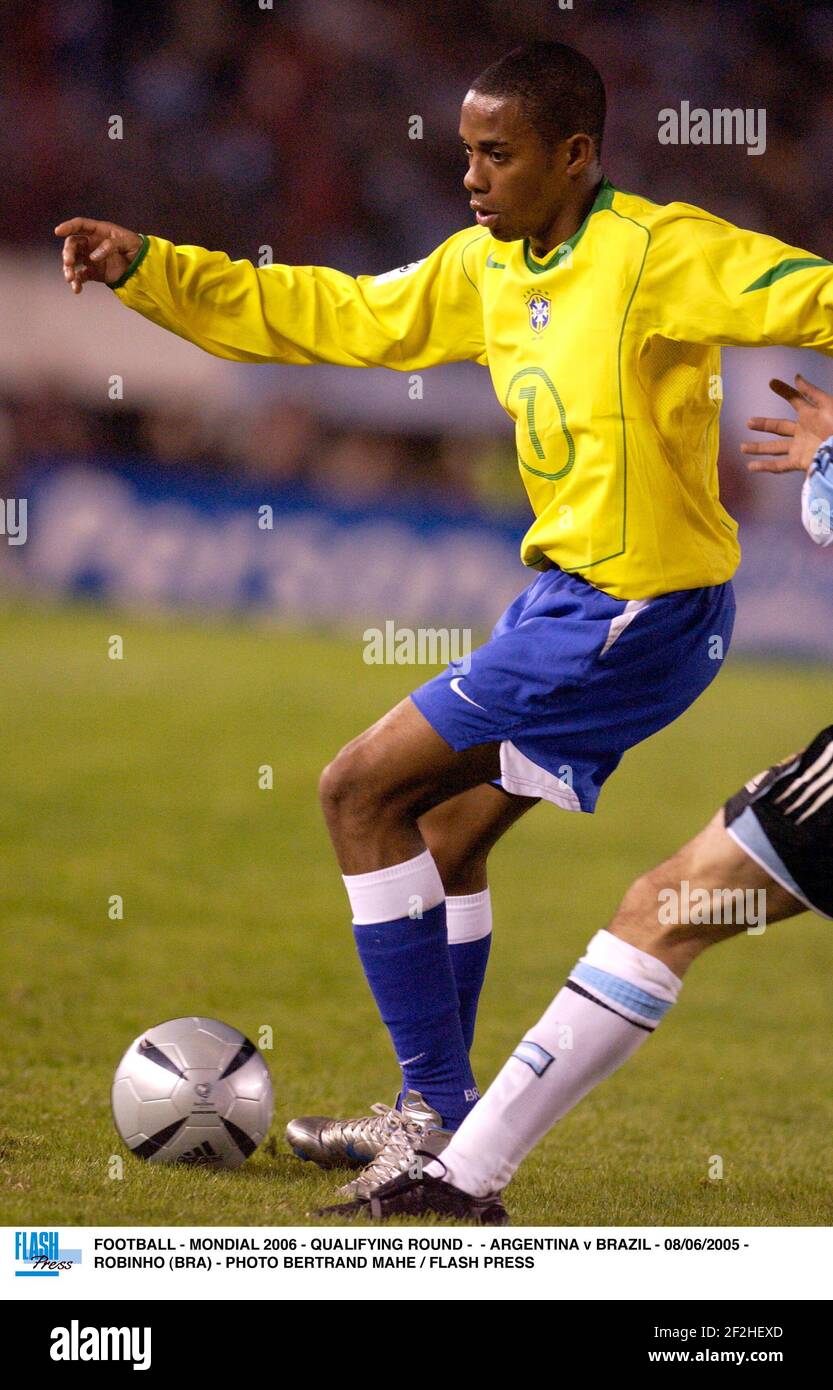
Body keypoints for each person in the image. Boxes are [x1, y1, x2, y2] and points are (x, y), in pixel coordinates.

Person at [55, 41, 833, 1207]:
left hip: (634, 614)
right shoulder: (482, 268)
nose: (468, 176)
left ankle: (432, 1121)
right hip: (572, 603)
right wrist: (151, 269)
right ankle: (435, 1114)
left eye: (496, 154)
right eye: (464, 150)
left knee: (357, 790)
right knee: (446, 835)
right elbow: (333, 315)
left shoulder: (659, 254)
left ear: (574, 155)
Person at [324, 372, 833, 1224]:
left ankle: (456, 1172)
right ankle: (437, 1120)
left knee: (664, 911)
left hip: (650, 607)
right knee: (457, 832)